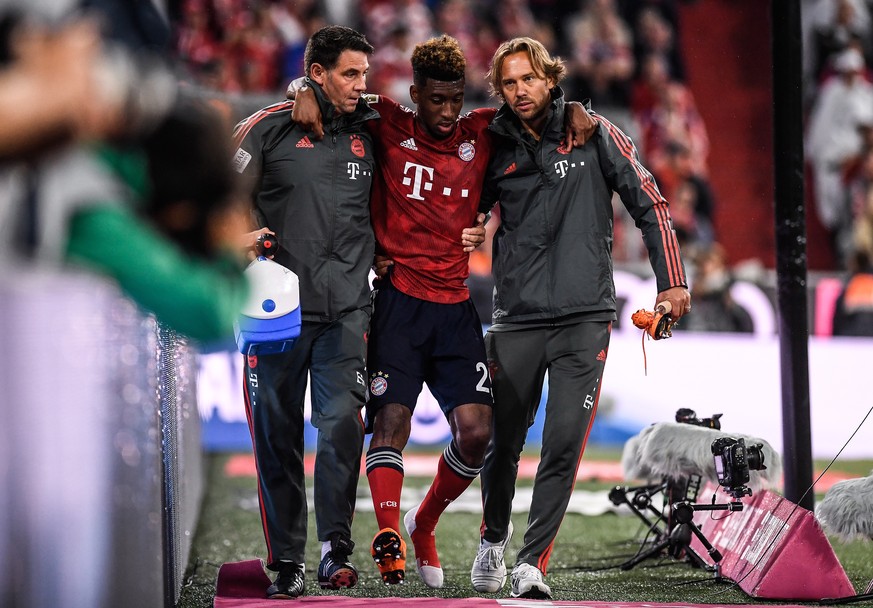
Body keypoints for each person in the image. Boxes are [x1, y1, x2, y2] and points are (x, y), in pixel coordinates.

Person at [289, 34, 598, 589]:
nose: (448, 111)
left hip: (456, 307)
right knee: (389, 423)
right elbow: (326, 93)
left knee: (479, 433)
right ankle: (387, 535)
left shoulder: (483, 131)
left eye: (456, 98)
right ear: (415, 94)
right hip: (399, 304)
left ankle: (423, 520)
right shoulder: (384, 120)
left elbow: (542, 113)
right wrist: (299, 88)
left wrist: (576, 105)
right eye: (436, 99)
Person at [469, 37, 691, 599]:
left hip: (585, 317)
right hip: (515, 318)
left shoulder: (594, 133)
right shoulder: (491, 142)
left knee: (564, 444)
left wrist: (672, 283)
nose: (520, 91)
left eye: (529, 79)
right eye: (509, 83)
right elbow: (460, 200)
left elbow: (649, 203)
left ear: (550, 78)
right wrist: (468, 226)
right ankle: (493, 538)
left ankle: (530, 564)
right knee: (503, 445)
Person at [231, 25, 378, 599]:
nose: (361, 86)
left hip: (347, 309)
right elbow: (218, 199)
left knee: (342, 424)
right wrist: (234, 236)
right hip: (274, 311)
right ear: (317, 73)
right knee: (277, 433)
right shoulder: (267, 127)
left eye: (365, 74)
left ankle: (332, 551)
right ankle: (287, 558)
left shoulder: (374, 128)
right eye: (350, 73)